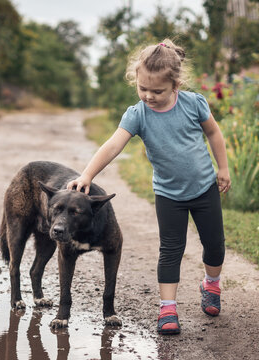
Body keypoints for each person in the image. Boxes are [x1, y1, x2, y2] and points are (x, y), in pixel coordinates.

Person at [66, 39, 231, 335]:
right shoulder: (137, 114)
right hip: (168, 195)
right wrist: (87, 175)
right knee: (170, 249)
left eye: (157, 91)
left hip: (205, 188)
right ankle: (168, 309)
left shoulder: (193, 103)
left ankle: (211, 284)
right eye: (143, 89)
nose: (149, 96)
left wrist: (224, 168)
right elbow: (114, 144)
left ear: (175, 84)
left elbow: (214, 134)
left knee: (214, 245)